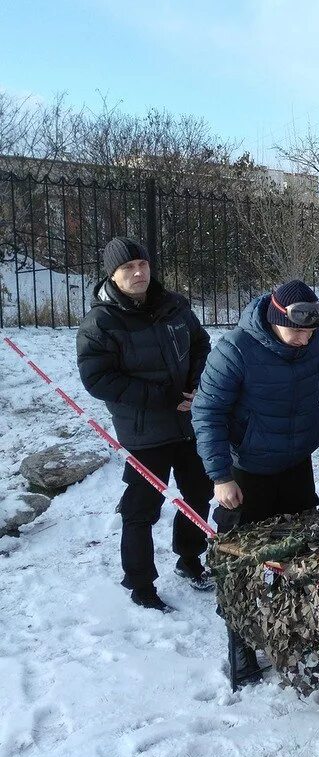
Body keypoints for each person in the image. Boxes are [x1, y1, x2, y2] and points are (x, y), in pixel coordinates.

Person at [192, 279, 319, 685]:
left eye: (310, 332)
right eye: (296, 331)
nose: (303, 340)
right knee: (244, 565)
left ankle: (297, 631)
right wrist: (220, 477)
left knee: (301, 553)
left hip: (296, 462)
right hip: (247, 471)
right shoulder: (235, 350)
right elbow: (207, 412)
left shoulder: (318, 340)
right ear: (275, 319)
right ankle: (242, 648)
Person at [76, 236, 214, 612]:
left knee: (199, 495)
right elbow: (99, 379)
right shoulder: (100, 323)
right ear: (113, 274)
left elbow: (201, 345)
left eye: (142, 265)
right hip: (143, 432)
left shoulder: (175, 305)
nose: (138, 273)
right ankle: (140, 582)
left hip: (188, 423)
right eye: (127, 268)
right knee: (141, 509)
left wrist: (196, 384)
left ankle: (190, 559)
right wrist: (164, 396)